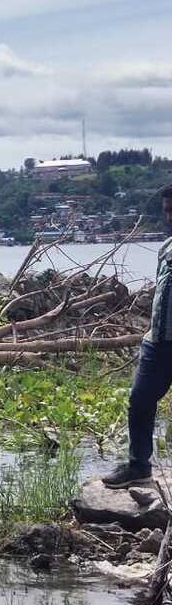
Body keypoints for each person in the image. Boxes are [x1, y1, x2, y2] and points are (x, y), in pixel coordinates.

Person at [104, 186, 172, 488]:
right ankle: (138, 466)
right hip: (158, 341)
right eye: (167, 210)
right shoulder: (166, 247)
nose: (169, 216)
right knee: (140, 400)